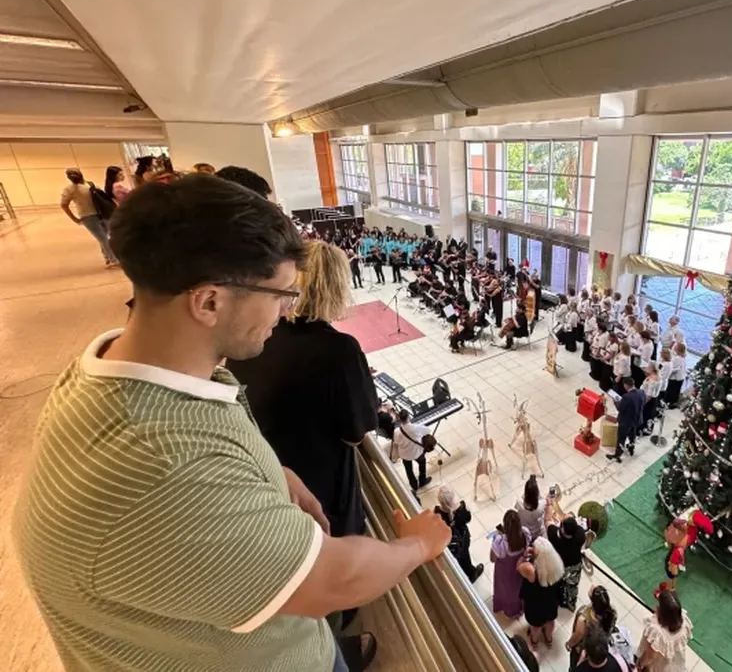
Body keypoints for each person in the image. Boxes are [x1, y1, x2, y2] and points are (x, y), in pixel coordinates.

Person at [13, 174, 452, 672]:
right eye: (281, 292)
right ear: (209, 301)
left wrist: (270, 474)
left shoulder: (116, 370)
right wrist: (419, 542)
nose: (289, 308)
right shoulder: (165, 463)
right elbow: (333, 580)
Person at [227, 240, 374, 540]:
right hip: (319, 493)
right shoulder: (339, 350)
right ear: (335, 287)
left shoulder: (254, 335)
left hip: (266, 480)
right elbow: (355, 433)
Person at [59, 168, 118, 267]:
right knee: (103, 238)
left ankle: (107, 257)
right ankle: (114, 260)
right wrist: (74, 219)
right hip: (87, 217)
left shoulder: (90, 184)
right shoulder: (69, 189)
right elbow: (64, 205)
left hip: (101, 213)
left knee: (104, 237)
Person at [518, 537, 564, 648]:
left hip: (535, 606)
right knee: (550, 621)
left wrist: (524, 555)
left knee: (535, 627)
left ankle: (535, 641)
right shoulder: (557, 566)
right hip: (551, 602)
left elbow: (518, 567)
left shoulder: (531, 571)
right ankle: (549, 638)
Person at [434, 486, 484, 584]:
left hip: (448, 543)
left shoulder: (437, 513)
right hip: (463, 539)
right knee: (465, 556)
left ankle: (461, 571)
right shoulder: (462, 508)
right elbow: (468, 519)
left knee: (458, 558)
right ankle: (471, 573)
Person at [636, 589, 693, 672]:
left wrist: (641, 663)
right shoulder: (684, 622)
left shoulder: (657, 632)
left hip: (658, 666)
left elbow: (650, 656)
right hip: (673, 663)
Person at [545, 503, 587, 611]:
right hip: (574, 566)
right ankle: (570, 602)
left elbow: (547, 520)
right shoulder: (580, 535)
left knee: (556, 584)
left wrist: (549, 504)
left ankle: (557, 599)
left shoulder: (554, 535)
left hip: (558, 565)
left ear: (562, 528)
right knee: (572, 585)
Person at [491, 510, 529, 619]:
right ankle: (516, 609)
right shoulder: (525, 534)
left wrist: (495, 538)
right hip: (519, 569)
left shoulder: (500, 542)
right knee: (516, 589)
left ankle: (502, 606)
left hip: (504, 572)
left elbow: (492, 559)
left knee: (504, 589)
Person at [566, 585, 618, 662]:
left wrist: (569, 645)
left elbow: (578, 635)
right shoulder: (612, 613)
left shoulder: (584, 618)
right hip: (598, 649)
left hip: (582, 651)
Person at [392, 409, 434, 497]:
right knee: (422, 464)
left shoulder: (396, 431)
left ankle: (414, 485)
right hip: (417, 453)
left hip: (404, 455)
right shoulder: (415, 427)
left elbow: (396, 442)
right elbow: (428, 430)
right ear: (408, 417)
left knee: (409, 470)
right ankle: (422, 481)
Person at [607, 376, 645, 462]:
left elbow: (620, 408)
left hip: (626, 421)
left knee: (621, 438)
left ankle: (618, 454)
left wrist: (616, 401)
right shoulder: (641, 392)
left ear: (626, 385)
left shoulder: (627, 397)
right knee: (632, 435)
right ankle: (631, 449)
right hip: (636, 419)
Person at [516, 475, 545, 541]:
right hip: (537, 532)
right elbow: (542, 500)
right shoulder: (541, 504)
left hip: (524, 532)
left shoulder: (519, 502)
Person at [664, 343, 687, 408]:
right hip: (680, 378)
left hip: (675, 378)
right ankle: (673, 403)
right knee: (676, 392)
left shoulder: (677, 359)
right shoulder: (682, 358)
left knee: (671, 392)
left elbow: (673, 369)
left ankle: (669, 403)